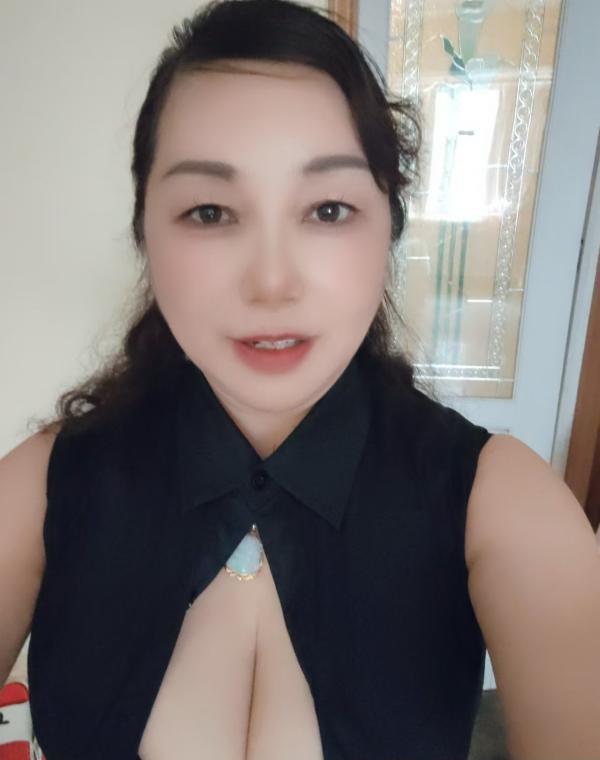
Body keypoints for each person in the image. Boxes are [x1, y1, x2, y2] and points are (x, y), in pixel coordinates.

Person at [1, 1, 599, 759]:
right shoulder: (42, 487)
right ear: (144, 230)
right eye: (210, 211)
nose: (273, 282)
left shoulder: (506, 508)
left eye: (328, 209)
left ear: (390, 225)